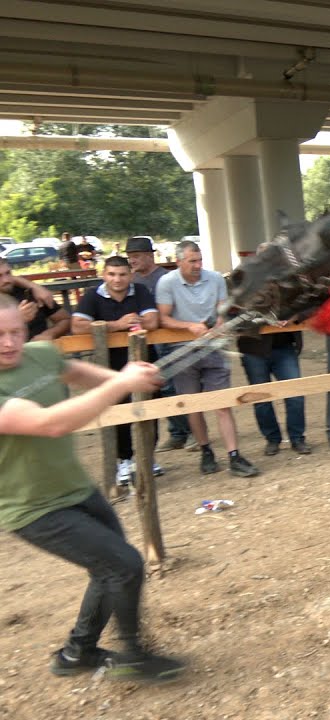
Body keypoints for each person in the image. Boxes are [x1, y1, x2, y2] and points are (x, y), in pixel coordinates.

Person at [0, 294, 186, 682]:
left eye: (16, 331)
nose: (9, 343)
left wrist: (128, 378)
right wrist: (122, 384)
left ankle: (78, 652)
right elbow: (50, 423)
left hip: (76, 489)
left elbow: (74, 373)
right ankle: (135, 655)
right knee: (124, 565)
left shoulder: (39, 354)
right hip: (32, 508)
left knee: (113, 570)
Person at [155, 241, 261, 477]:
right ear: (179, 261)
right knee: (194, 406)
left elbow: (222, 309)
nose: (197, 265)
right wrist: (189, 327)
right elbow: (163, 319)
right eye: (192, 261)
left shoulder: (214, 279)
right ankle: (206, 451)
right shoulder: (167, 283)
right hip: (181, 349)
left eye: (199, 260)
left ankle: (234, 455)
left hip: (214, 347)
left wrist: (220, 326)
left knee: (222, 404)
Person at [71, 256, 162, 486]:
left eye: (122, 274)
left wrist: (130, 322)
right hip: (109, 368)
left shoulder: (140, 291)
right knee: (119, 415)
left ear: (130, 275)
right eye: (112, 274)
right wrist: (117, 325)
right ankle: (124, 461)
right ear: (104, 275)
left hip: (142, 363)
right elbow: (77, 326)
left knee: (149, 411)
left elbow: (152, 321)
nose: (117, 279)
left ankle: (147, 458)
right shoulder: (93, 295)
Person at [124, 236, 190, 451]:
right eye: (130, 257)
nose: (132, 261)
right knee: (158, 387)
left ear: (149, 256)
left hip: (167, 338)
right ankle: (177, 433)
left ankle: (187, 432)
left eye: (136, 256)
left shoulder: (165, 278)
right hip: (145, 341)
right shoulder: (131, 280)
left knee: (173, 386)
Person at [237, 311, 309, 457]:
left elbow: (306, 306)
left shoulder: (288, 288)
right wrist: (264, 319)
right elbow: (233, 315)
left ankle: (297, 438)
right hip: (253, 349)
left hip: (285, 346)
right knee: (260, 399)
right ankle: (272, 439)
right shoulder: (244, 288)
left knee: (295, 395)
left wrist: (294, 317)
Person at [0, 258, 70, 342]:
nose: (6, 280)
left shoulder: (28, 292)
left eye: (8, 273)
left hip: (39, 351)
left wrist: (49, 334)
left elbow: (65, 320)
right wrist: (17, 319)